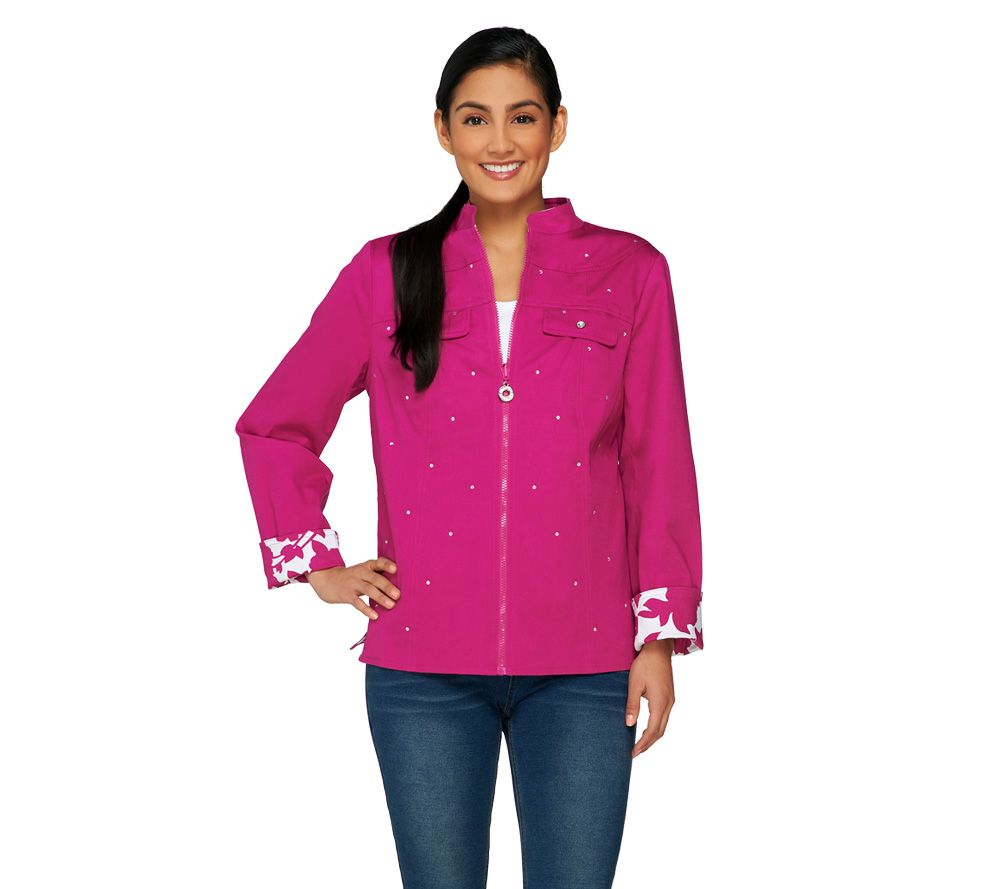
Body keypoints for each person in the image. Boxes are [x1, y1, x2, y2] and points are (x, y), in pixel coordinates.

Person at [235, 26, 704, 889]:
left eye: (522, 117)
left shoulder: (631, 272)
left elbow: (657, 459)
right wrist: (319, 564)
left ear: (558, 126)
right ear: (443, 129)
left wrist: (659, 638)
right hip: (421, 666)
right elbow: (275, 423)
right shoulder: (385, 272)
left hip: (587, 664)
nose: (499, 141)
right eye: (475, 118)